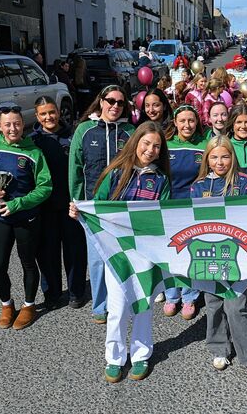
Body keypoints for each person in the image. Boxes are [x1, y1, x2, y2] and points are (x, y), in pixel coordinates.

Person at [70, 121, 170, 383]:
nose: (150, 149)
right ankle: (114, 358)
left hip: (146, 255)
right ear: (135, 142)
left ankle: (141, 355)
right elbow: (96, 206)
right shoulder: (115, 172)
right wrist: (80, 210)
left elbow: (167, 216)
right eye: (146, 143)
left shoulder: (161, 180)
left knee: (143, 306)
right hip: (116, 253)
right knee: (116, 309)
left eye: (156, 146)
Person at [0, 105, 52, 330]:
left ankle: (29, 306)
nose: (12, 128)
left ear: (22, 124)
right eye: (7, 124)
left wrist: (18, 203)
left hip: (26, 217)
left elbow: (45, 187)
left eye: (16, 123)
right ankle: (7, 305)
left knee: (28, 263)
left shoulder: (34, 152)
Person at [190, 135, 247, 379]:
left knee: (236, 305)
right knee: (213, 303)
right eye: (214, 157)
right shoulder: (198, 186)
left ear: (233, 157)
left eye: (225, 156)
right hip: (210, 254)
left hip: (239, 255)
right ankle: (219, 348)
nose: (220, 162)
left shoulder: (245, 182)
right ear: (207, 159)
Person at [69, 85, 135, 323]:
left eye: (120, 102)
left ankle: (124, 299)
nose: (115, 106)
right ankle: (100, 306)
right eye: (110, 101)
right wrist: (76, 200)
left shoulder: (129, 131)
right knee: (97, 259)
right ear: (101, 101)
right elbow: (75, 169)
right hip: (92, 207)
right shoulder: (84, 130)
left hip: (121, 206)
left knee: (122, 256)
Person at [30, 97, 86, 310]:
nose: (48, 117)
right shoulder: (33, 140)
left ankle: (76, 292)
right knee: (48, 252)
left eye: (51, 112)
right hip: (45, 206)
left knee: (75, 251)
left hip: (71, 205)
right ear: (37, 116)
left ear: (59, 112)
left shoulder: (73, 136)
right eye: (43, 114)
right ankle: (52, 293)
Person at [162, 104, 208, 319]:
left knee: (192, 252)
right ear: (175, 123)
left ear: (197, 122)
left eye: (191, 120)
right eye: (182, 121)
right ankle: (172, 295)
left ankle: (190, 296)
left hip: (194, 207)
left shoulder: (204, 144)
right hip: (170, 205)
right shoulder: (166, 144)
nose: (187, 125)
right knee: (171, 252)